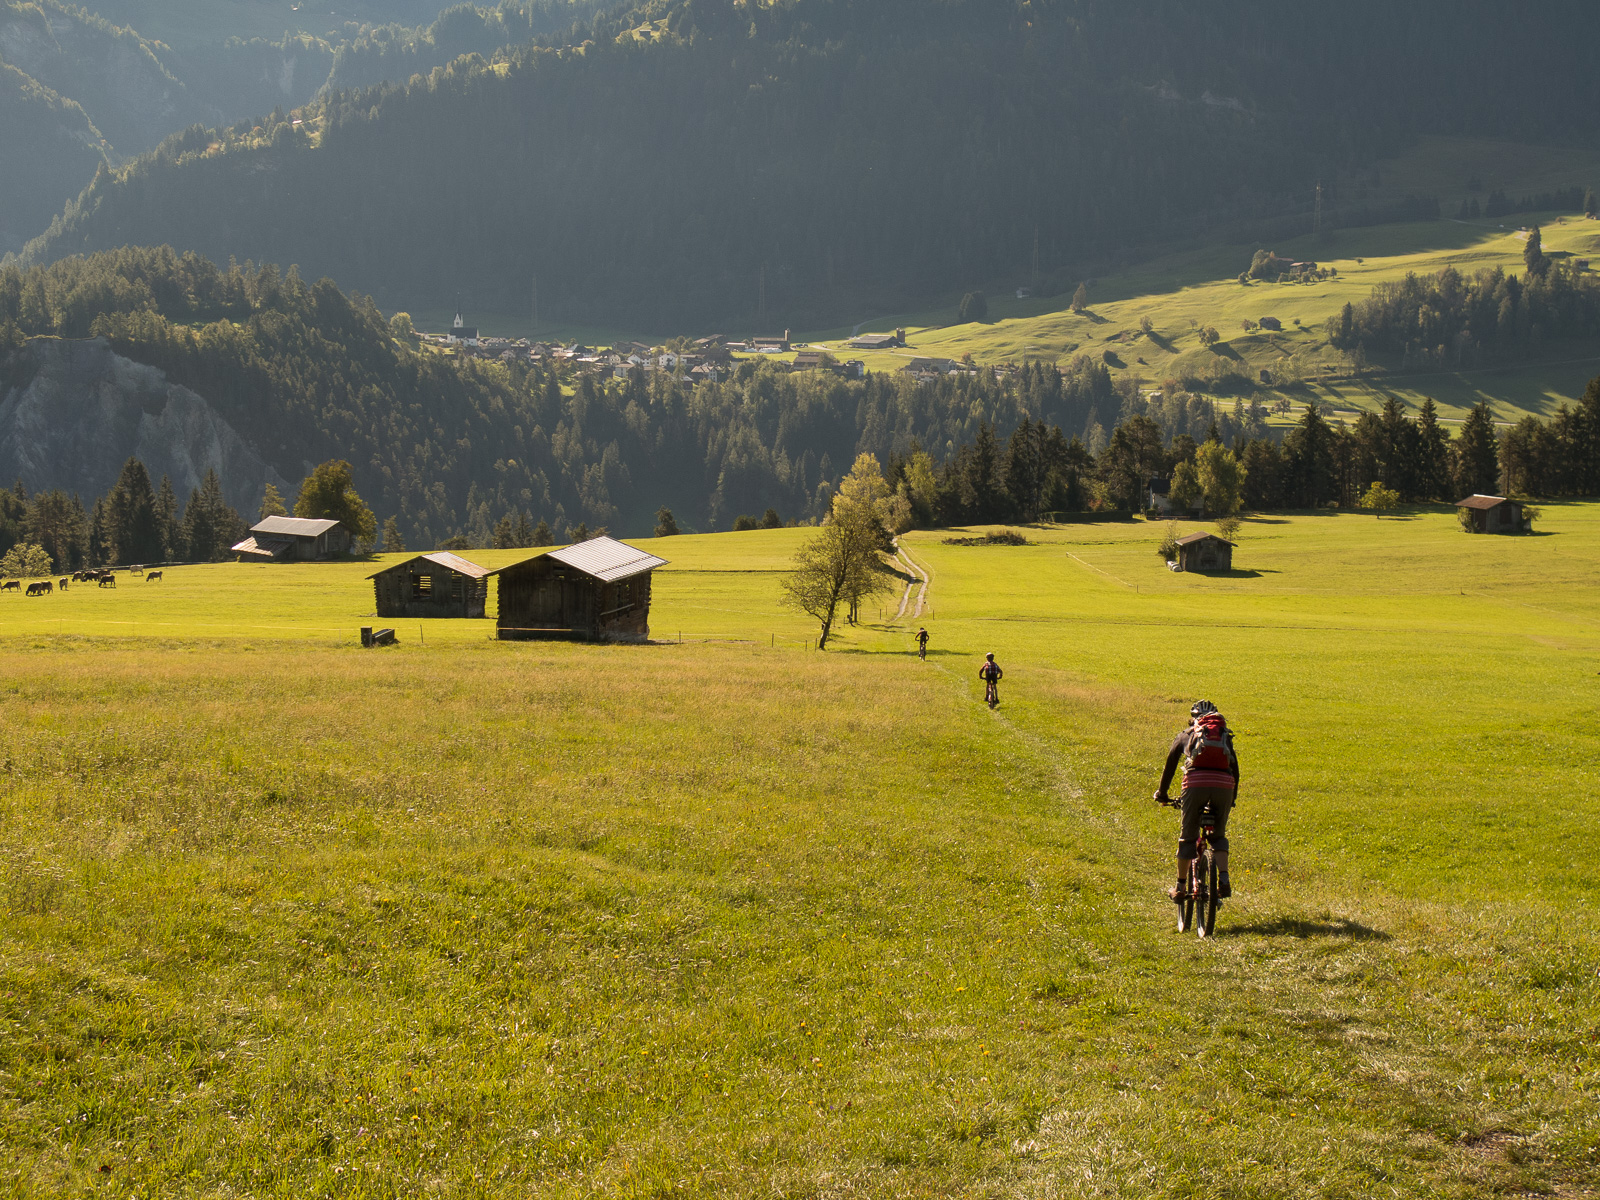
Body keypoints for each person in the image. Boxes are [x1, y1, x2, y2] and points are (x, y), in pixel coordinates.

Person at [1154, 699, 1239, 901]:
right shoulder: (1225, 736)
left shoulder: (1187, 735)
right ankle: (1224, 881)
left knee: (1188, 837)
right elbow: (1235, 769)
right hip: (1224, 786)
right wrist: (1232, 798)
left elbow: (1170, 766)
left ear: (1193, 718)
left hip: (1195, 784)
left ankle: (1180, 887)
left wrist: (1162, 794)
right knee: (1218, 836)